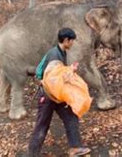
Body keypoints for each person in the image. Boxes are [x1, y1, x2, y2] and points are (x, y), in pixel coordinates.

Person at [28, 28, 90, 157]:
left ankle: (75, 148)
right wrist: (70, 71)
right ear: (66, 40)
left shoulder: (61, 52)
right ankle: (32, 154)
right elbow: (53, 79)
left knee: (71, 117)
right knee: (42, 125)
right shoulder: (54, 55)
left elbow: (59, 75)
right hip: (48, 95)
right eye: (72, 40)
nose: (73, 43)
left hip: (57, 95)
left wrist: (69, 70)